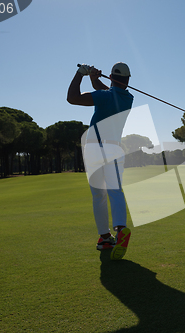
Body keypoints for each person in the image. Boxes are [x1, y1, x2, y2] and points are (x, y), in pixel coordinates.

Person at [67, 62, 133, 260]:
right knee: (115, 190)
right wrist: (95, 79)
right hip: (113, 148)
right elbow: (106, 90)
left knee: (98, 196)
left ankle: (105, 237)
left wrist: (80, 74)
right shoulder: (128, 98)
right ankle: (120, 230)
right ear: (128, 80)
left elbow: (72, 98)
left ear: (112, 77)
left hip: (93, 148)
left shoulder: (105, 96)